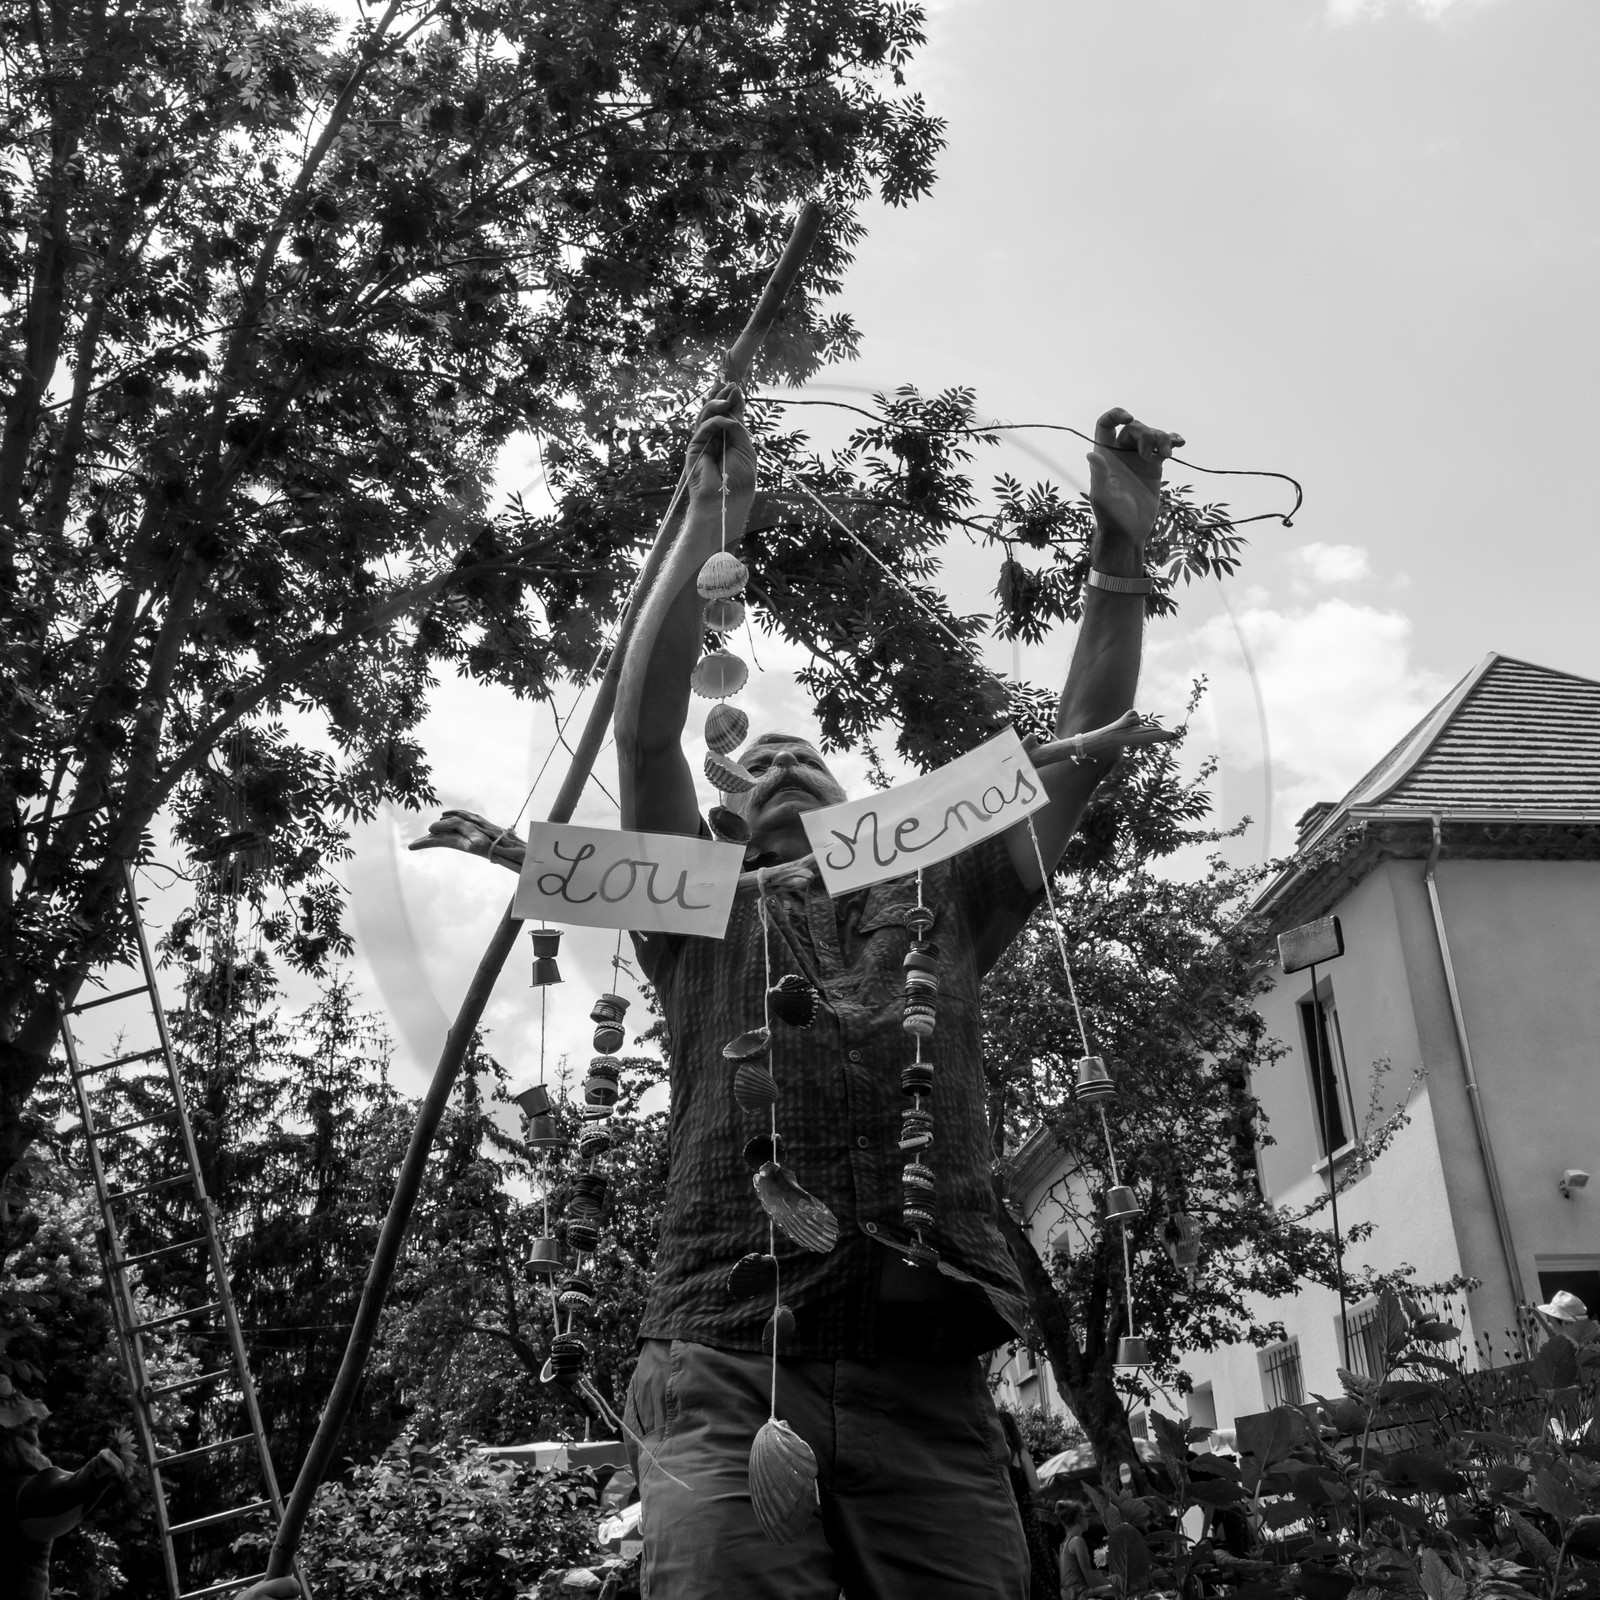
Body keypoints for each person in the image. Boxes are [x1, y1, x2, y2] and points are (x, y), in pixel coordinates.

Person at [416, 386, 1180, 1599]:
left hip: (923, 1374)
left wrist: (1121, 547)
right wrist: (713, 518)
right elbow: (648, 738)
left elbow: (1082, 734)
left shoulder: (953, 894)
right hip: (725, 1353)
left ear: (858, 802)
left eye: (802, 757)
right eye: (756, 761)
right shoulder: (698, 903)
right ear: (727, 819)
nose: (775, 764)